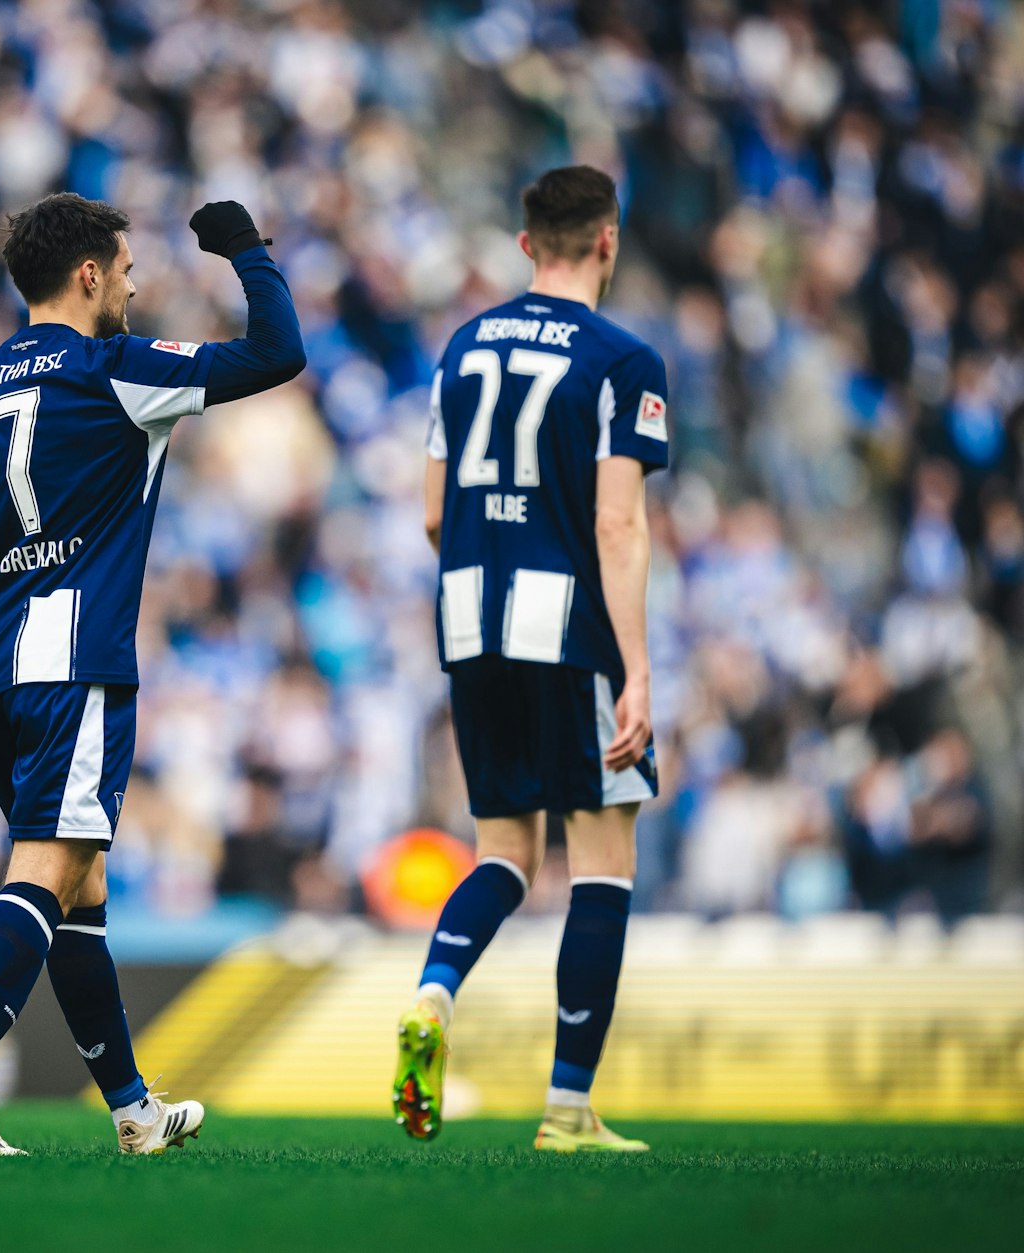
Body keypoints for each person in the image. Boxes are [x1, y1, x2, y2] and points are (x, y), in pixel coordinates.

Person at [0, 193, 305, 1154]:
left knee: (79, 886)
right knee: (47, 869)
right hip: (75, 657)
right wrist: (247, 252)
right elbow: (278, 352)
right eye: (124, 266)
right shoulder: (117, 368)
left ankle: (131, 1110)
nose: (133, 281)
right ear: (88, 274)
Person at [394, 166, 667, 1152]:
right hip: (568, 629)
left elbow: (430, 511)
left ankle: (433, 988)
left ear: (522, 245)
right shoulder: (622, 359)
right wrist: (633, 666)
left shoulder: (461, 345)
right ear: (606, 241)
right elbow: (616, 520)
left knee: (502, 850)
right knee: (600, 864)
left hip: (469, 619)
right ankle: (566, 1107)